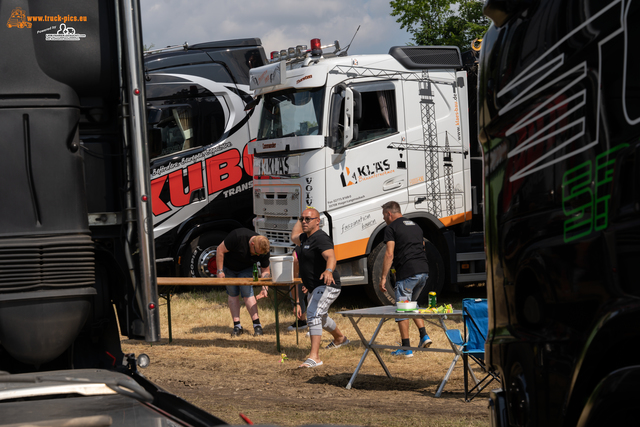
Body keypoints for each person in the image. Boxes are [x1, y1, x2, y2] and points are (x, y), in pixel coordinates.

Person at [291, 208, 349, 368]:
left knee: (313, 314)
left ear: (318, 221)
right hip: (314, 286)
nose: (304, 222)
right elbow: (293, 236)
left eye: (308, 219)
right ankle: (340, 339)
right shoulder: (304, 238)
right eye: (302, 219)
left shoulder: (321, 238)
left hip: (328, 285)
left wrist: (328, 270)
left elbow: (331, 256)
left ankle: (314, 357)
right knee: (320, 317)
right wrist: (299, 215)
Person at [379, 201, 432, 357]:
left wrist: (383, 277)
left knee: (402, 310)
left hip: (407, 273)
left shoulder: (391, 228)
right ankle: (424, 336)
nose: (384, 219)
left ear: (389, 213)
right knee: (411, 305)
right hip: (423, 271)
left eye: (384, 215)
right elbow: (422, 246)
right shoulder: (415, 225)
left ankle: (406, 348)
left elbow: (389, 253)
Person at [216, 228, 271, 337]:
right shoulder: (237, 236)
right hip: (229, 267)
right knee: (233, 294)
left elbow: (265, 270)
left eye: (260, 254)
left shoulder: (263, 249)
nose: (258, 256)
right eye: (256, 253)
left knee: (247, 293)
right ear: (252, 244)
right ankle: (237, 326)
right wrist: (220, 271)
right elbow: (220, 250)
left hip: (246, 268)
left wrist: (265, 288)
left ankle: (257, 325)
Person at [287, 246, 308, 332]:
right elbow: (294, 281)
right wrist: (297, 303)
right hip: (303, 272)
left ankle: (308, 322)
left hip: (312, 273)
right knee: (296, 290)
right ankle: (302, 320)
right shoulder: (297, 251)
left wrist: (308, 282)